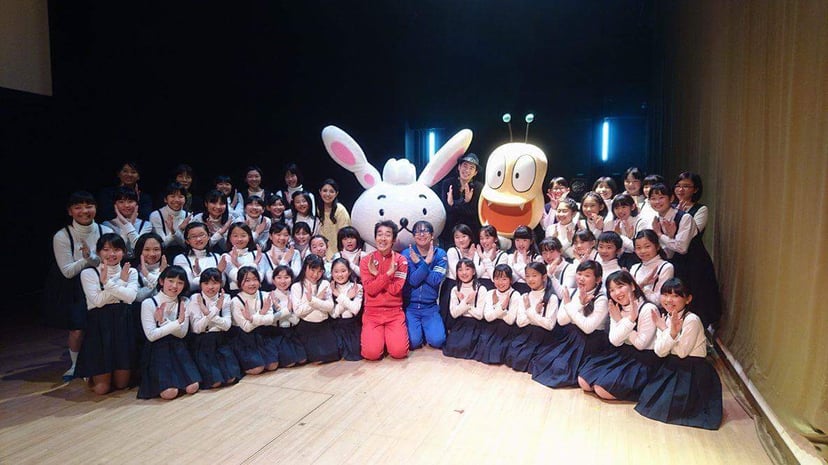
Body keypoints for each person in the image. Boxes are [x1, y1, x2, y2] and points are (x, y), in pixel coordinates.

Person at [634, 278, 723, 430]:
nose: (669, 300)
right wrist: (668, 331)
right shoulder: (666, 317)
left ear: (688, 299)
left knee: (673, 410)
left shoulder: (692, 319)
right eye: (665, 294)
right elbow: (660, 351)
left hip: (693, 371)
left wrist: (667, 331)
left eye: (675, 296)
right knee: (651, 405)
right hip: (673, 366)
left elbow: (682, 353)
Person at [44, 191, 113, 381]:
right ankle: (75, 365)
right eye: (78, 207)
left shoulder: (106, 231)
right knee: (77, 328)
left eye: (89, 206)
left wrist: (91, 258)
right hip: (75, 287)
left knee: (104, 325)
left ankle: (101, 361)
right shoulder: (62, 235)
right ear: (70, 211)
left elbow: (112, 260)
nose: (84, 211)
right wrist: (88, 259)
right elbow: (67, 271)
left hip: (102, 281)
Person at [577, 270, 660, 401]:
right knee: (584, 381)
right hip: (622, 352)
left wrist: (623, 321)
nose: (617, 293)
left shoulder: (648, 308)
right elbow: (614, 341)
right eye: (612, 290)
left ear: (632, 286)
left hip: (643, 359)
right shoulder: (616, 307)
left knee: (602, 390)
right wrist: (626, 321)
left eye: (620, 286)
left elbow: (640, 344)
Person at [648, 183, 721, 330]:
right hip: (678, 266)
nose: (657, 202)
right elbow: (669, 253)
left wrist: (660, 235)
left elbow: (682, 248)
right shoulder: (657, 220)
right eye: (653, 198)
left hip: (696, 265)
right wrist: (668, 237)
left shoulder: (684, 217)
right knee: (680, 302)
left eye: (661, 197)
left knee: (698, 303)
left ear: (671, 198)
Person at [75, 233, 139, 395]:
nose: (111, 254)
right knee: (101, 389)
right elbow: (97, 301)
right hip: (100, 325)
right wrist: (121, 283)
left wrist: (108, 284)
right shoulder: (89, 273)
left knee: (122, 385)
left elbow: (130, 297)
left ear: (123, 252)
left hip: (122, 323)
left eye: (116, 249)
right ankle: (91, 376)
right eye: (106, 249)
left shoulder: (130, 271)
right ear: (98, 252)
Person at [530, 260, 610, 388]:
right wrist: (579, 304)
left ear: (598, 279)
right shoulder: (571, 292)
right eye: (579, 274)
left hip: (590, 342)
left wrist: (570, 306)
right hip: (570, 337)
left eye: (587, 275)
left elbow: (588, 328)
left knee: (562, 370)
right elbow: (562, 321)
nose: (581, 278)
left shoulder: (602, 299)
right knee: (543, 361)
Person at [137, 265, 201, 400]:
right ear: (161, 281)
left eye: (180, 282)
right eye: (171, 281)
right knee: (169, 393)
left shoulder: (184, 301)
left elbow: (182, 333)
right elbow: (151, 335)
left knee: (193, 387)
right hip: (158, 351)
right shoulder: (149, 303)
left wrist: (163, 322)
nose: (175, 286)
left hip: (179, 349)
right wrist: (177, 322)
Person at [359, 220, 409, 360]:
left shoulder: (401, 260)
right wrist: (388, 274)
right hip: (372, 313)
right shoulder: (366, 260)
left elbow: (395, 289)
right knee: (371, 354)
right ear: (375, 237)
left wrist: (377, 274)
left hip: (394, 313)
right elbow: (370, 289)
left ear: (394, 239)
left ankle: (388, 339)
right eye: (379, 234)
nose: (383, 238)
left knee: (399, 353)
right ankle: (381, 339)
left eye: (387, 235)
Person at [186, 268, 241, 389]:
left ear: (220, 284)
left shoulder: (225, 297)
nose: (210, 287)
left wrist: (207, 313)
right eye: (206, 283)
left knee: (231, 378)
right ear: (201, 284)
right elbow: (197, 328)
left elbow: (227, 326)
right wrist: (216, 310)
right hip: (203, 342)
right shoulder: (195, 298)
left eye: (215, 283)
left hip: (221, 340)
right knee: (215, 382)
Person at [508, 262, 563, 372]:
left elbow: (549, 325)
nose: (530, 279)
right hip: (527, 335)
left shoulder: (552, 298)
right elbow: (520, 322)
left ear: (544, 277)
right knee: (514, 357)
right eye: (527, 276)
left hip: (545, 337)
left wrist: (529, 311)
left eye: (534, 275)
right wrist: (535, 312)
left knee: (542, 364)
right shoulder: (525, 296)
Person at [401, 221, 448, 351]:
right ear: (413, 236)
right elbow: (413, 281)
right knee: (413, 343)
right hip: (411, 307)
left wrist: (419, 263)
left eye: (425, 231)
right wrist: (426, 263)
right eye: (417, 231)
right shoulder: (406, 254)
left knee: (438, 341)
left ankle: (427, 330)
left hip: (430, 307)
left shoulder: (440, 254)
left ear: (432, 235)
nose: (421, 234)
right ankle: (420, 332)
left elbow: (435, 280)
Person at [228, 266, 278, 375]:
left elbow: (270, 320)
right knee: (257, 369)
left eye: (255, 279)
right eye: (247, 280)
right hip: (244, 338)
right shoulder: (235, 301)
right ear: (239, 283)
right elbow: (246, 327)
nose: (252, 283)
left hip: (262, 335)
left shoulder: (264, 295)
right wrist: (262, 313)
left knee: (272, 366)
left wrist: (252, 318)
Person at [291, 254, 339, 363]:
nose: (315, 275)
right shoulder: (297, 286)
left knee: (333, 356)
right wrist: (318, 299)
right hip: (307, 327)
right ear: (305, 268)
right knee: (316, 358)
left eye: (319, 271)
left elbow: (329, 306)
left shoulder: (325, 283)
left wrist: (312, 300)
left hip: (324, 325)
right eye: (312, 270)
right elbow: (298, 311)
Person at [477, 263, 522, 365]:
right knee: (483, 349)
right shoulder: (490, 293)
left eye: (504, 279)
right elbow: (488, 317)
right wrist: (501, 308)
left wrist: (497, 307)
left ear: (510, 280)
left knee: (499, 352)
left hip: (507, 330)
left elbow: (510, 320)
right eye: (497, 279)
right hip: (491, 327)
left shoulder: (515, 295)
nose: (500, 283)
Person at [442, 258, 487, 360]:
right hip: (460, 323)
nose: (464, 273)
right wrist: (466, 302)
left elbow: (479, 315)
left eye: (467, 269)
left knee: (469, 348)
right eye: (460, 270)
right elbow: (454, 314)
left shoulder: (481, 289)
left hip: (476, 324)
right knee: (452, 349)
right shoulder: (455, 289)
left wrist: (464, 303)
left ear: (473, 271)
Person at [436, 153, 483, 248]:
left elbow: (473, 212)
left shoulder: (479, 187)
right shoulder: (448, 184)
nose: (467, 170)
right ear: (459, 167)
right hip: (450, 232)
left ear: (475, 172)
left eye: (471, 168)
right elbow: (445, 210)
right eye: (465, 166)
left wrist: (453, 204)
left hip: (471, 232)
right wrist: (464, 203)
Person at [439, 224, 476, 331]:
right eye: (457, 237)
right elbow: (457, 274)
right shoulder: (452, 251)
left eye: (464, 236)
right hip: (452, 285)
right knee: (449, 319)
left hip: (468, 286)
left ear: (470, 237)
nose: (461, 240)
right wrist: (469, 258)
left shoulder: (475, 251)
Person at [269, 265, 307, 367]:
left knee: (302, 360)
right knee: (290, 363)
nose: (283, 281)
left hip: (293, 331)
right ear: (273, 280)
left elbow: (296, 320)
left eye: (286, 277)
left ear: (291, 279)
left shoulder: (294, 294)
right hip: (278, 333)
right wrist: (287, 310)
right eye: (279, 277)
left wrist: (280, 308)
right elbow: (270, 320)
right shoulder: (269, 296)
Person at [173, 222, 226, 293]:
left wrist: (198, 276)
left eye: (202, 235)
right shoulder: (180, 258)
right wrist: (217, 273)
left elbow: (223, 283)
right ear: (187, 241)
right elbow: (190, 284)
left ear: (208, 236)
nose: (198, 239)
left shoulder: (217, 256)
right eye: (193, 236)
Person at [102, 187, 153, 259]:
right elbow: (117, 248)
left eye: (130, 201)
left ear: (136, 204)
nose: (126, 205)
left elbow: (140, 247)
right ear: (115, 204)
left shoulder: (146, 225)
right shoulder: (107, 225)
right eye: (121, 202)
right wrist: (129, 224)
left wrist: (127, 224)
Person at [329, 257, 363, 361]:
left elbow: (355, 309)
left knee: (356, 355)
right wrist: (347, 297)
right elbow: (334, 314)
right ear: (331, 273)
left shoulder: (357, 287)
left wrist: (339, 296)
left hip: (353, 325)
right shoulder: (329, 288)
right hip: (336, 326)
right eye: (336, 272)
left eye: (343, 271)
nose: (340, 275)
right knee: (333, 355)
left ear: (349, 272)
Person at [149, 182, 192, 262]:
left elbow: (187, 244)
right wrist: (177, 230)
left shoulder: (188, 216)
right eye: (172, 196)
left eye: (180, 197)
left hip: (184, 254)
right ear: (165, 199)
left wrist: (175, 231)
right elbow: (162, 244)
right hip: (163, 255)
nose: (177, 200)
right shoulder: (156, 215)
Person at [629, 230, 674, 305]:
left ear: (657, 246)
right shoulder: (634, 268)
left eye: (647, 246)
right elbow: (628, 296)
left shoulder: (666, 267)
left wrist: (638, 289)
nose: (643, 251)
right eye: (638, 248)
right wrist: (642, 284)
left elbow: (659, 301)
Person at [221, 223, 264, 295]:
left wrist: (237, 264)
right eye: (235, 236)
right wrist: (255, 264)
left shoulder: (257, 254)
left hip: (257, 294)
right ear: (230, 238)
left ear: (249, 237)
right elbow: (237, 278)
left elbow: (260, 277)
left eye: (243, 236)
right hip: (236, 294)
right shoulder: (226, 257)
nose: (239, 239)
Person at [193, 189, 236, 254]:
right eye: (214, 203)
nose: (218, 206)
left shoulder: (231, 220)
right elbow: (199, 246)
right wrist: (218, 234)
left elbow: (228, 247)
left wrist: (215, 232)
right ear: (206, 204)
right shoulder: (198, 219)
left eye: (222, 203)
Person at [316, 178, 351, 260]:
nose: (328, 194)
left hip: (338, 254)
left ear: (336, 193)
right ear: (320, 192)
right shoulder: (317, 209)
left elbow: (345, 235)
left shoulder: (340, 210)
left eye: (331, 191)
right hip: (322, 253)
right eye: (325, 191)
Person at [261, 222, 302, 289]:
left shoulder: (295, 253)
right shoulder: (264, 256)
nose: (282, 238)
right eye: (278, 234)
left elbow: (296, 274)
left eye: (286, 235)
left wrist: (280, 264)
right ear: (270, 236)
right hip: (272, 292)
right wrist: (284, 261)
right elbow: (269, 279)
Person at [610, 192, 644, 269]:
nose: (620, 211)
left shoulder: (641, 222)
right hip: (623, 259)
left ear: (632, 207)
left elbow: (639, 249)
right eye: (616, 208)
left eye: (623, 207)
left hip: (639, 260)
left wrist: (620, 236)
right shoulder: (618, 223)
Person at [672, 172, 709, 236]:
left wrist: (680, 215)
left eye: (686, 186)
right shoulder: (669, 207)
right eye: (678, 186)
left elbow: (693, 234)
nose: (680, 189)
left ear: (695, 190)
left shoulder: (701, 209)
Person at [508, 225, 540, 294]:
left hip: (531, 292)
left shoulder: (537, 258)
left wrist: (520, 265)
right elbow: (509, 280)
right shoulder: (510, 257)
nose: (521, 244)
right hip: (512, 292)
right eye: (517, 240)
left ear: (531, 241)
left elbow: (534, 281)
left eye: (525, 240)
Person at [475, 225, 508, 290]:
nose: (484, 241)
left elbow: (496, 278)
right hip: (478, 289)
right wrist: (489, 259)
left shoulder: (502, 255)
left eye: (487, 238)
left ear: (495, 239)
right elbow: (476, 275)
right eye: (481, 238)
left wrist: (484, 259)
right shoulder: (477, 254)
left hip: (494, 289)